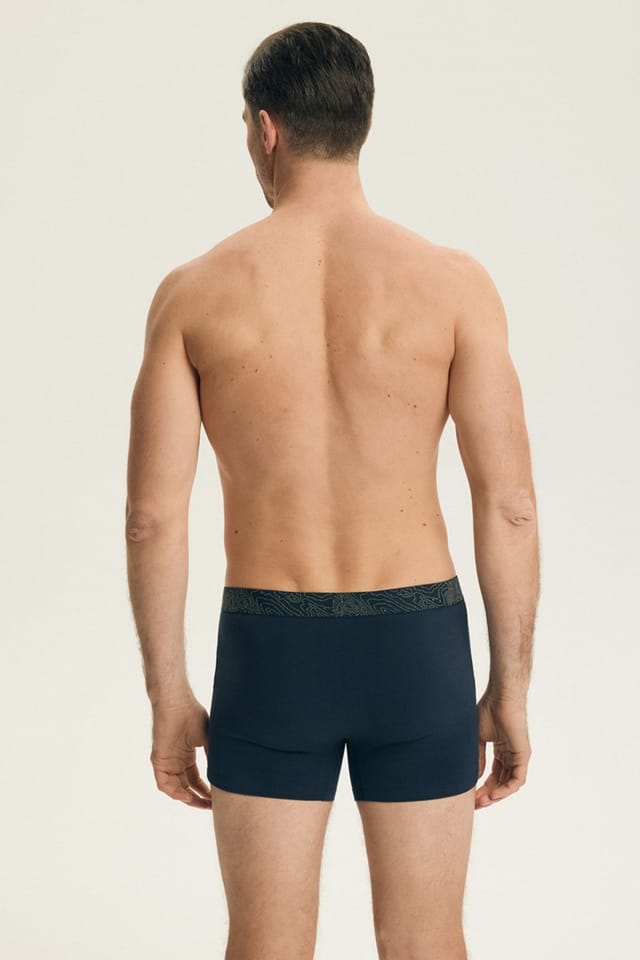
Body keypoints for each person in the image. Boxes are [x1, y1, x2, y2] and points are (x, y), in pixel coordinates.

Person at [125, 20, 540, 960]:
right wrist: (510, 687)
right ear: (361, 123)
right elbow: (510, 505)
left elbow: (152, 521)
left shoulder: (194, 293)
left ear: (265, 129)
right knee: (427, 942)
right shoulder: (454, 286)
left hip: (271, 650)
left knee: (265, 944)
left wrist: (169, 695)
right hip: (418, 647)